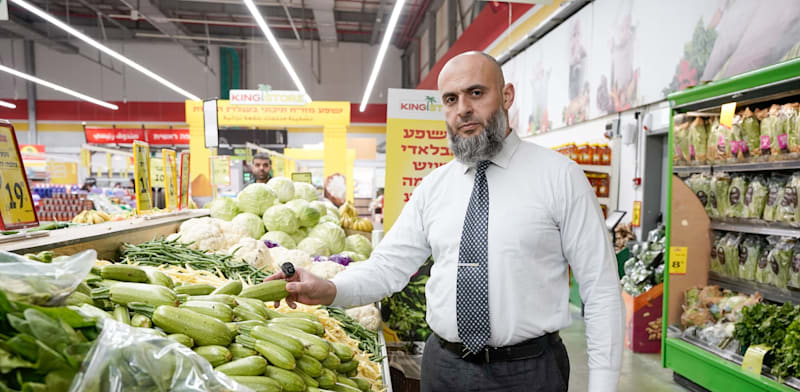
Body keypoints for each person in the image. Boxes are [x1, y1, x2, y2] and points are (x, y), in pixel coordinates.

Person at [265, 51, 624, 392]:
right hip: (444, 368)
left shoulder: (559, 177)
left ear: (507, 95)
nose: (463, 109)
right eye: (450, 99)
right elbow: (388, 267)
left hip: (529, 372)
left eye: (476, 93)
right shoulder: (434, 187)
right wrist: (331, 289)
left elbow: (600, 287)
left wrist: (604, 384)